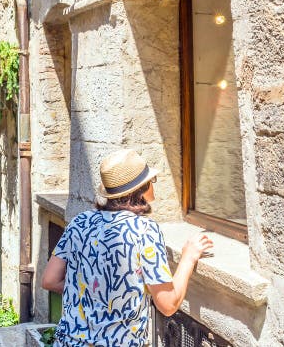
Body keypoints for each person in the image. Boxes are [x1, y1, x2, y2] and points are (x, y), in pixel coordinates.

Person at [41, 149, 213, 347]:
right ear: (141, 188)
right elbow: (168, 305)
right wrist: (188, 258)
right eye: (151, 181)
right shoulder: (145, 231)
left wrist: (95, 298)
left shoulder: (80, 222)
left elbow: (49, 280)